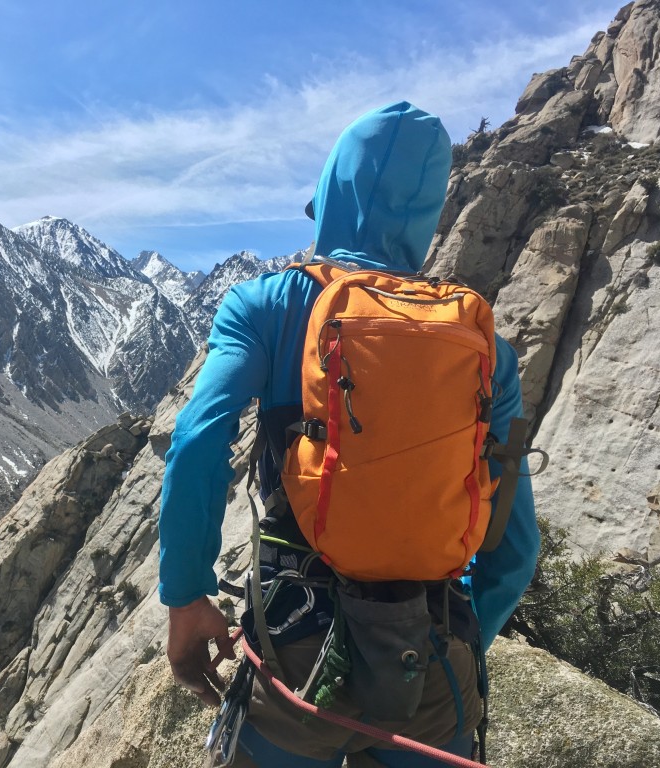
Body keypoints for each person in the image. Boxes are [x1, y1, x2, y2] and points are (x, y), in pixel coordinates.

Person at [158, 101, 540, 767]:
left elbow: (196, 440)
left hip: (293, 667)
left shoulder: (270, 305)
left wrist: (187, 596)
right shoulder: (482, 348)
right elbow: (515, 543)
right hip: (433, 672)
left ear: (333, 191)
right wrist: (459, 645)